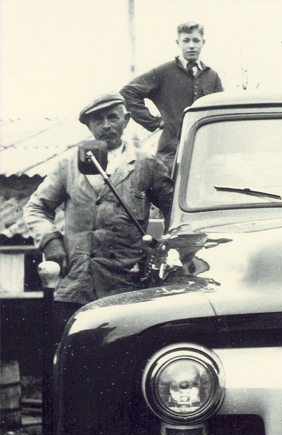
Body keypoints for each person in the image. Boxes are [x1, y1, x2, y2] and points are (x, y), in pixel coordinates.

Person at [24, 92, 173, 332]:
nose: (106, 126)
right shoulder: (68, 164)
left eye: (112, 118)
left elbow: (173, 209)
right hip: (76, 285)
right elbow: (36, 208)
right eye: (97, 120)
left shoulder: (147, 164)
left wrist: (166, 249)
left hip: (127, 286)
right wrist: (50, 241)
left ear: (126, 120)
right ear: (89, 126)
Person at [120, 21, 223, 170]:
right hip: (170, 154)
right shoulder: (164, 72)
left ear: (203, 42)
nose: (191, 45)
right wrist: (154, 122)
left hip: (206, 153)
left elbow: (221, 112)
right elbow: (127, 93)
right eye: (186, 41)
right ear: (178, 42)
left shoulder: (211, 76)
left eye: (196, 40)